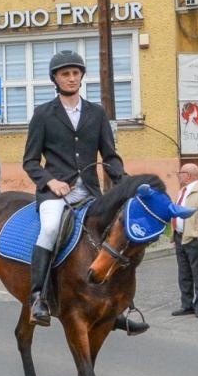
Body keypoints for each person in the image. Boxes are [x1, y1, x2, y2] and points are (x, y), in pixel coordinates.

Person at [21, 50, 131, 329]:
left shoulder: (96, 113)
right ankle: (38, 298)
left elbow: (110, 155)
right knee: (49, 229)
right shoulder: (43, 114)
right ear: (55, 79)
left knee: (117, 235)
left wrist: (123, 181)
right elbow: (30, 161)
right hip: (56, 192)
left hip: (90, 193)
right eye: (65, 74)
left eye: (75, 73)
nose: (71, 78)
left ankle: (118, 305)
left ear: (82, 76)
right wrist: (50, 181)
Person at [169, 163, 198, 318]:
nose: (178, 175)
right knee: (184, 273)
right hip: (180, 237)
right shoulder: (182, 191)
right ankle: (186, 304)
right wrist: (174, 234)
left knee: (197, 273)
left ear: (188, 175)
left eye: (180, 173)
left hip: (194, 239)